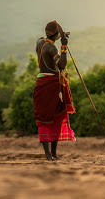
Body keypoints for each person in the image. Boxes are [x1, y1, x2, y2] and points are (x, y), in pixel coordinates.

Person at [33, 20, 75, 160]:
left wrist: (60, 36)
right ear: (57, 35)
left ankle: (47, 154)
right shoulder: (52, 49)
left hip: (40, 83)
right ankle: (54, 153)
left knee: (43, 118)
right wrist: (64, 45)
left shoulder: (39, 42)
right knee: (56, 117)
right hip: (52, 85)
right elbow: (62, 64)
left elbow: (47, 39)